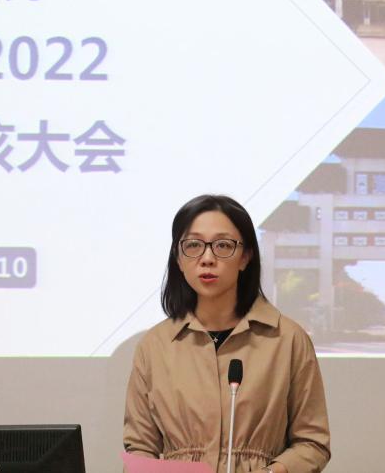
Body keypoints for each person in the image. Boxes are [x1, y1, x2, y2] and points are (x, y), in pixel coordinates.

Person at [123, 194, 330, 473]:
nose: (207, 258)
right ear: (178, 259)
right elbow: (140, 448)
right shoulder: (155, 345)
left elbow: (312, 443)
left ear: (245, 256)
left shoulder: (287, 339)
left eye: (223, 245)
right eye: (193, 245)